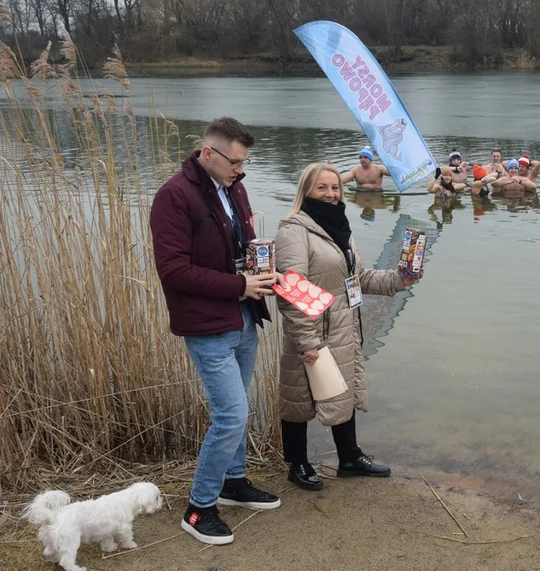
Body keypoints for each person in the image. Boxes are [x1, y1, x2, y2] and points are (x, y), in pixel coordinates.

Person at [149, 117, 282, 546]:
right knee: (232, 414)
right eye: (236, 162)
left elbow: (238, 246)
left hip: (244, 316)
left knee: (239, 407)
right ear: (209, 152)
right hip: (207, 326)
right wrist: (239, 284)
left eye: (244, 164)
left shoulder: (233, 188)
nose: (241, 171)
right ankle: (198, 507)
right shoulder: (173, 196)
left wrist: (261, 269)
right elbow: (173, 271)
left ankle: (233, 482)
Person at [274, 163, 419, 492]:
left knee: (343, 389)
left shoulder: (341, 228)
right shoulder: (293, 231)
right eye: (321, 188)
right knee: (299, 397)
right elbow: (291, 289)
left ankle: (350, 458)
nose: (330, 194)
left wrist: (400, 279)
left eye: (335, 187)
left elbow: (359, 280)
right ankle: (297, 464)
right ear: (305, 192)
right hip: (311, 329)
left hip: (343, 325)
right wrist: (306, 341)